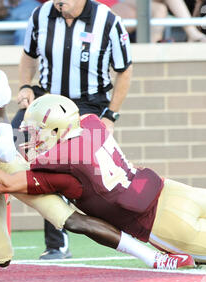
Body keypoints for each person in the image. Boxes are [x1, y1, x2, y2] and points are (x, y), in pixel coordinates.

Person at [0, 40, 194, 270]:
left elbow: (5, 139)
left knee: (67, 217)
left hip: (6, 163)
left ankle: (153, 258)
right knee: (0, 259)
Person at [0, 94, 206, 267]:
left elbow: (5, 185)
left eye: (36, 132)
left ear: (56, 129)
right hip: (171, 191)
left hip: (160, 222)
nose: (32, 140)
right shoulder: (91, 124)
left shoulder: (61, 165)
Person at [13, 0, 133, 259]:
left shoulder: (107, 20)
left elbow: (124, 71)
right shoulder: (41, 15)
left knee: (83, 173)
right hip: (46, 100)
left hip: (87, 104)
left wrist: (111, 115)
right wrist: (25, 85)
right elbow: (28, 55)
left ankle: (129, 224)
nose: (58, 2)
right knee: (8, 145)